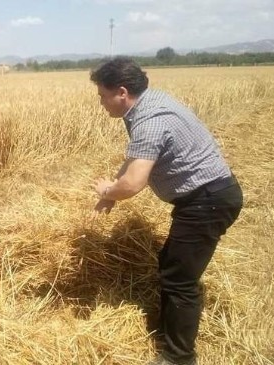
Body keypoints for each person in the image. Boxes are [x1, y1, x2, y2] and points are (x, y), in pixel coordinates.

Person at [89, 57, 243, 365]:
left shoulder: (149, 121)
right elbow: (138, 159)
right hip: (207, 197)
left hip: (207, 201)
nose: (101, 103)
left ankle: (178, 357)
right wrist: (113, 195)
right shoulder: (150, 103)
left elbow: (133, 183)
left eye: (102, 95)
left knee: (180, 279)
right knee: (171, 265)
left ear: (121, 92)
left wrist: (109, 190)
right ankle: (167, 331)